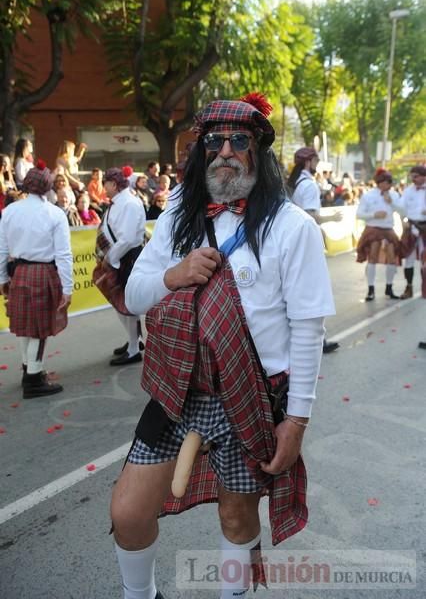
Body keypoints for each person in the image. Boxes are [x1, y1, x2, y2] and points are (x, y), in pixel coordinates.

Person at [110, 93, 335, 599]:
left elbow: (307, 331)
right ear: (201, 150)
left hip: (252, 397)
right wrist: (175, 273)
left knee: (237, 516)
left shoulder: (291, 226)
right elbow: (133, 293)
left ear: (259, 150)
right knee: (128, 512)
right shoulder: (176, 218)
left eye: (239, 140)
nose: (226, 150)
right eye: (215, 141)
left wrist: (295, 423)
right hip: (178, 390)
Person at [0, 159, 72, 398]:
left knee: (25, 326)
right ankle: (33, 378)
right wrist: (68, 288)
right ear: (47, 186)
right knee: (39, 327)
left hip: (19, 271)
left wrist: (2, 278)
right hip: (43, 272)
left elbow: (2, 249)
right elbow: (63, 254)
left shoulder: (9, 211)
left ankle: (29, 368)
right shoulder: (55, 213)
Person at [287, 146, 341, 353]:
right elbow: (311, 215)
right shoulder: (308, 185)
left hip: (294, 237)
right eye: (316, 161)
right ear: (308, 162)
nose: (317, 164)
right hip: (307, 238)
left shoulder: (294, 183)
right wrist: (332, 218)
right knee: (314, 291)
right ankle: (318, 340)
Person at [92, 167, 146, 365]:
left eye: (104, 182)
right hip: (120, 257)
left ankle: (133, 350)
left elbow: (128, 239)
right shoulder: (119, 202)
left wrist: (109, 258)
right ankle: (134, 340)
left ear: (113, 184)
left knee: (127, 303)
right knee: (121, 302)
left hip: (127, 258)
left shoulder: (130, 204)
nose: (102, 186)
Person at [355, 168, 403, 301]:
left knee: (392, 257)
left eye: (390, 182)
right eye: (386, 182)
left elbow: (402, 210)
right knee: (372, 258)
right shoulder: (368, 195)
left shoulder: (394, 195)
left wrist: (391, 203)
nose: (388, 185)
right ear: (379, 182)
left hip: (388, 228)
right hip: (373, 228)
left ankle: (389, 287)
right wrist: (373, 215)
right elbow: (359, 214)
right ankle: (371, 289)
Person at [398, 165, 426, 299]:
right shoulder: (408, 191)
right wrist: (403, 220)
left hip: (425, 228)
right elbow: (401, 208)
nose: (413, 179)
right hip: (412, 227)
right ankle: (409, 287)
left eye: (416, 176)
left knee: (424, 259)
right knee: (408, 259)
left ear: (423, 176)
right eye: (412, 176)